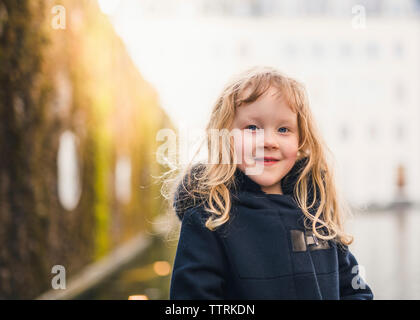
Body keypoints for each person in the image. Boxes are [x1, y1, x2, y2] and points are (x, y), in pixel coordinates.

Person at [167, 66, 374, 299]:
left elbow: (355, 290)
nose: (269, 141)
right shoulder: (210, 217)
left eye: (284, 129)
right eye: (252, 128)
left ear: (300, 140)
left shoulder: (315, 214)